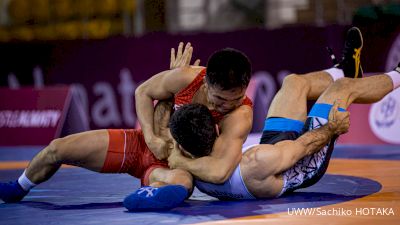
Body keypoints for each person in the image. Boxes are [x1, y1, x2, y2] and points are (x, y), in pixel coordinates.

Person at [0, 42, 253, 206]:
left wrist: (177, 157)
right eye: (220, 99)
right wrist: (153, 138)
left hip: (175, 165)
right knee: (57, 148)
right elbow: (142, 92)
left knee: (182, 183)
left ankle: (147, 194)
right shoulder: (187, 78)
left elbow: (218, 171)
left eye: (236, 98)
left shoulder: (240, 114)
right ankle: (19, 186)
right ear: (206, 82)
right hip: (140, 144)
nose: (226, 106)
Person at [162, 29, 400, 200]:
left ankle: (345, 69)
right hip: (304, 159)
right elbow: (304, 147)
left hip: (275, 153)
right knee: (343, 89)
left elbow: (169, 130)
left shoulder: (187, 168)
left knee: (293, 83)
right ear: (214, 132)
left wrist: (174, 84)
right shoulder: (253, 162)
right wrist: (331, 129)